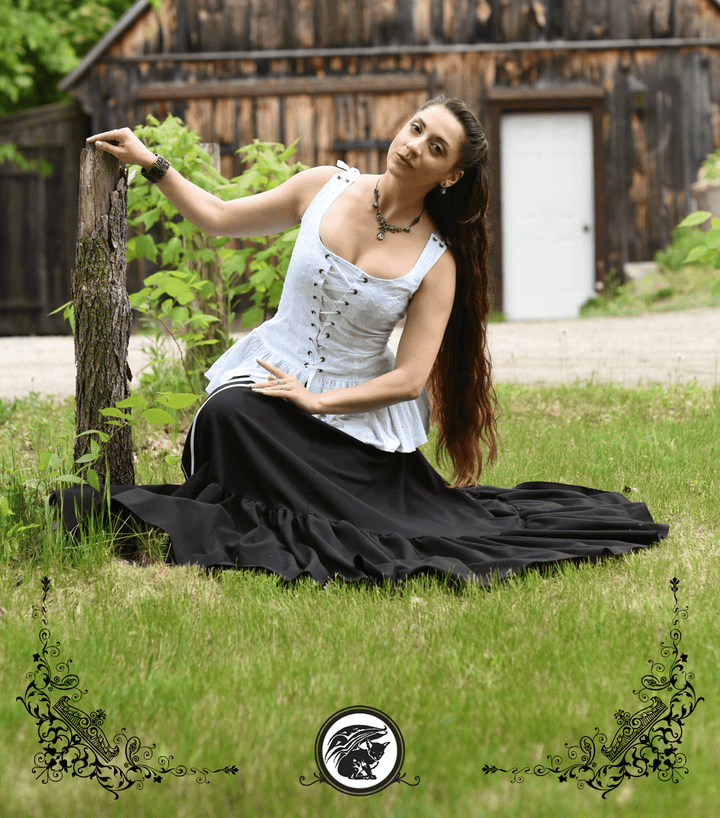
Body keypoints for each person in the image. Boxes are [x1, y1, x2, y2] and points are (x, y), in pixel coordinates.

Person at [53, 95, 668, 585]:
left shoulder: (436, 262)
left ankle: (325, 498)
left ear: (450, 174)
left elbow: (408, 378)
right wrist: (153, 163)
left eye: (434, 148)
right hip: (269, 379)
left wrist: (315, 402)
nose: (413, 146)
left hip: (353, 414)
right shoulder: (322, 186)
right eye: (416, 128)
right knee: (230, 412)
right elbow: (217, 216)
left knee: (371, 507)